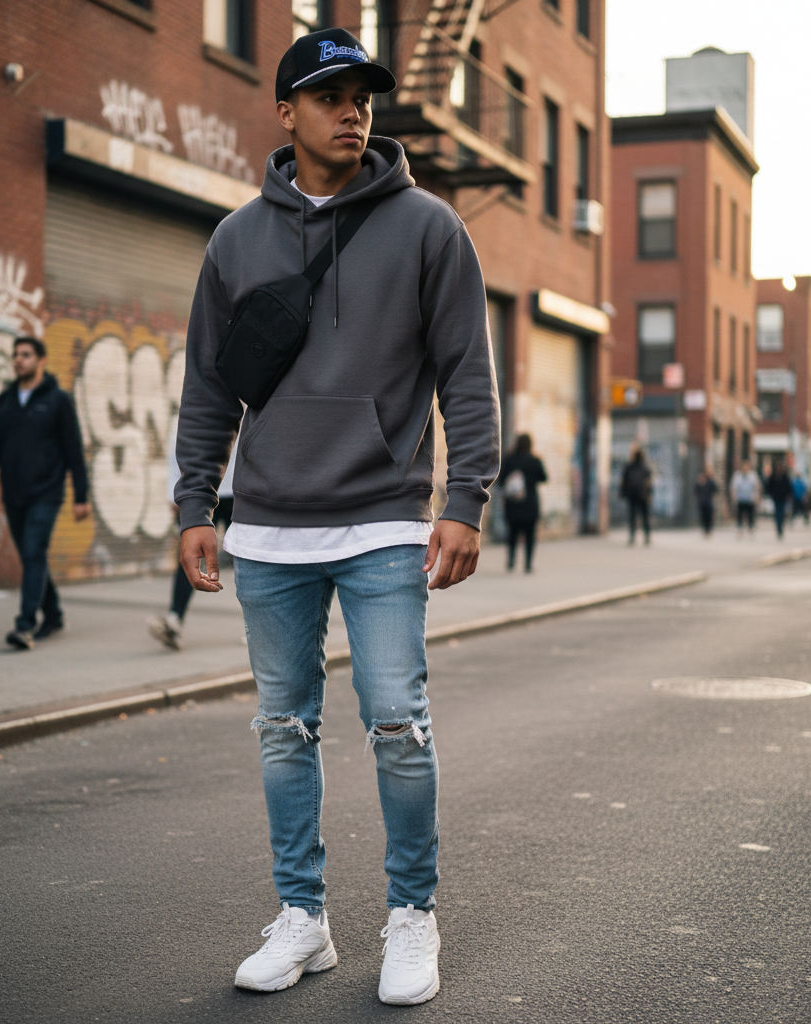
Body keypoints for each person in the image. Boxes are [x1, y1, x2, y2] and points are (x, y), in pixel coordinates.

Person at [173, 28, 500, 1006]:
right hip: (269, 526)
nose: (351, 108)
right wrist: (195, 500)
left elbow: (467, 381)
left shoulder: (430, 229)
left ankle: (411, 915)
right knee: (284, 728)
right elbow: (206, 390)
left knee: (397, 720)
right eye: (327, 95)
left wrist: (466, 499)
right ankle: (303, 918)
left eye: (362, 94)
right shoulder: (235, 241)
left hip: (384, 519)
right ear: (285, 113)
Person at [0, 336, 89, 650]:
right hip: (14, 493)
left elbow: (73, 450)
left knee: (34, 550)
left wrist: (81, 496)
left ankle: (25, 625)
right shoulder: (5, 401)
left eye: (25, 355)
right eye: (15, 356)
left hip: (47, 492)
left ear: (41, 360)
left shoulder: (58, 400)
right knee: (30, 555)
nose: (19, 360)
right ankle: (53, 614)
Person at [147, 430, 236, 650]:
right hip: (201, 495)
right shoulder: (195, 403)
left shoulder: (250, 401)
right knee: (190, 557)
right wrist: (173, 494)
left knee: (248, 558)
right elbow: (177, 449)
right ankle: (174, 619)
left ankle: (257, 627)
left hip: (238, 493)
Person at [499, 434, 547, 572]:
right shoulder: (534, 461)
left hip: (513, 505)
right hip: (530, 504)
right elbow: (544, 477)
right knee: (530, 535)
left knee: (512, 534)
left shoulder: (509, 460)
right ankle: (528, 564)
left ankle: (511, 561)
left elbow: (501, 480)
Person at [620, 447, 652, 545]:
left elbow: (624, 482)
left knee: (632, 517)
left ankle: (632, 537)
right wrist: (650, 494)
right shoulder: (645, 468)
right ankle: (646, 537)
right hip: (643, 495)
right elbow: (649, 483)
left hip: (632, 495)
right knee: (645, 516)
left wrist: (623, 494)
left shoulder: (629, 467)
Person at [729, 459, 761, 537]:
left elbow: (757, 486)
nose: (745, 468)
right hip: (740, 498)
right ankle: (740, 529)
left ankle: (750, 528)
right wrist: (734, 496)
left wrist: (757, 496)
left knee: (750, 514)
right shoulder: (737, 475)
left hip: (750, 498)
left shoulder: (753, 475)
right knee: (740, 514)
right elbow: (733, 487)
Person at [764, 459, 792, 539]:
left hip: (783, 498)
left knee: (782, 513)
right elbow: (769, 486)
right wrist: (772, 494)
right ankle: (778, 528)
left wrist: (788, 495)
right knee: (777, 513)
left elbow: (788, 487)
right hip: (776, 498)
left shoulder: (785, 477)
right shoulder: (773, 477)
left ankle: (781, 527)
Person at [694, 466, 718, 536]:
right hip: (702, 502)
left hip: (709, 501)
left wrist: (713, 497)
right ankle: (705, 529)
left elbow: (715, 490)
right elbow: (696, 491)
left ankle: (709, 528)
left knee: (709, 515)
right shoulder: (699, 482)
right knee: (703, 516)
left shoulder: (711, 482)